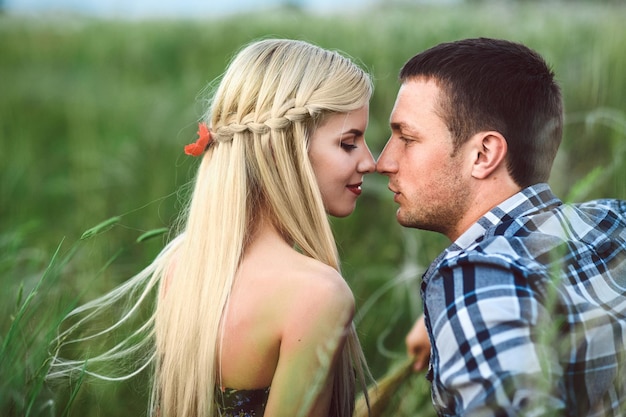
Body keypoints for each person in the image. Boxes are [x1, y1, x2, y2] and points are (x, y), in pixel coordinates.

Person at [48, 38, 377, 417]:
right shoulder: (317, 295)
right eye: (349, 143)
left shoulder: (182, 265)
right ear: (284, 149)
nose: (370, 161)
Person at [377, 37, 626, 416]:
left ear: (483, 154)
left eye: (407, 138)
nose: (384, 162)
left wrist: (469, 300)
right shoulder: (611, 218)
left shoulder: (472, 277)